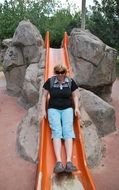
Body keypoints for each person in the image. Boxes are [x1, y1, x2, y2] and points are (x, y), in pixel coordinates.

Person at [42, 64, 80, 173]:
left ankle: (69, 162)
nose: (60, 75)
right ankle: (58, 162)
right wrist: (43, 110)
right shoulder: (50, 81)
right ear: (55, 73)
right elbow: (44, 96)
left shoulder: (70, 82)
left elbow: (75, 96)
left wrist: (76, 108)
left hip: (67, 108)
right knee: (57, 131)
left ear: (65, 72)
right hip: (53, 109)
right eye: (57, 72)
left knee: (68, 131)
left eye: (62, 72)